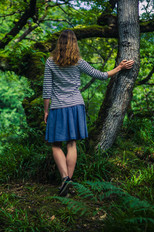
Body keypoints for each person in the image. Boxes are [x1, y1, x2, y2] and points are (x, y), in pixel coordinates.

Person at [43, 30, 134, 196]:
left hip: (57, 107)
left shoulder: (50, 62)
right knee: (72, 144)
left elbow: (47, 89)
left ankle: (65, 179)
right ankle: (68, 182)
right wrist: (120, 68)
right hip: (76, 105)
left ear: (59, 44)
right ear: (74, 44)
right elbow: (100, 75)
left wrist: (46, 110)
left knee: (56, 145)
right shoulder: (78, 61)